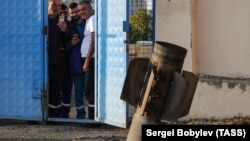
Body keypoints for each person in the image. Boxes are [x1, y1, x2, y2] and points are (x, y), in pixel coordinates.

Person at [48, 0, 69, 118]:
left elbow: (67, 39)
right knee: (38, 86)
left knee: (56, 88)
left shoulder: (61, 20)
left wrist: (65, 30)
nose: (56, 8)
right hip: (41, 60)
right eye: (53, 5)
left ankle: (53, 115)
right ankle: (36, 115)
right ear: (48, 5)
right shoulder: (41, 19)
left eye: (58, 5)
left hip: (57, 60)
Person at [65, 2, 86, 119]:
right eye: (72, 13)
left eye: (77, 11)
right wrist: (71, 44)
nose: (75, 14)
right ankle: (80, 116)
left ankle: (93, 115)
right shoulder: (68, 26)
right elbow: (64, 46)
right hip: (75, 63)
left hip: (89, 62)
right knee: (77, 92)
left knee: (89, 91)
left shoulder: (88, 23)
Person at [78, 0, 95, 119]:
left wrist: (87, 62)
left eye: (84, 9)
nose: (81, 12)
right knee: (89, 88)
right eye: (79, 10)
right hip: (87, 58)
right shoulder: (88, 21)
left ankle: (92, 118)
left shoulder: (92, 20)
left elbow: (93, 42)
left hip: (91, 59)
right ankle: (92, 117)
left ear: (90, 9)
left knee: (89, 89)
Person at [59, 3, 73, 118]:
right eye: (61, 13)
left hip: (68, 61)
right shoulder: (52, 24)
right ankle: (55, 112)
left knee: (67, 89)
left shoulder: (70, 25)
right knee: (55, 88)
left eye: (64, 12)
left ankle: (65, 113)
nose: (63, 15)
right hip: (55, 61)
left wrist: (68, 45)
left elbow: (72, 41)